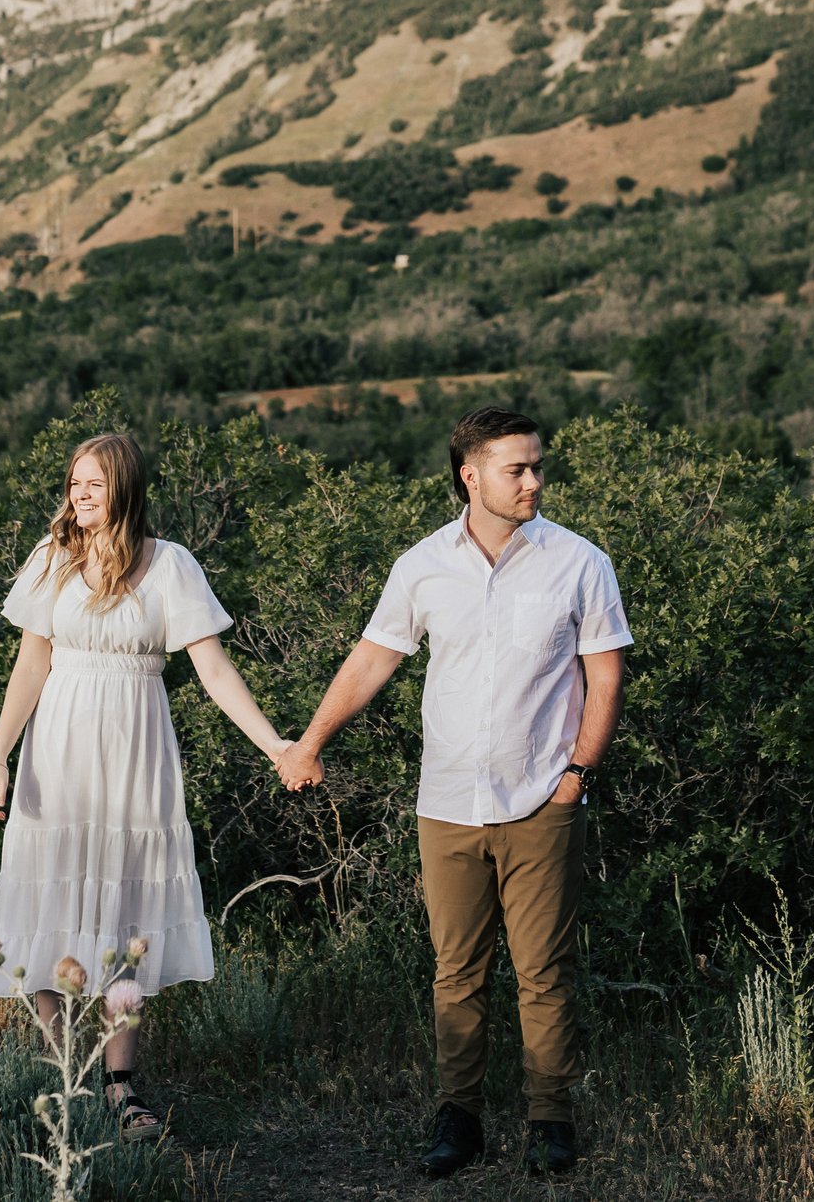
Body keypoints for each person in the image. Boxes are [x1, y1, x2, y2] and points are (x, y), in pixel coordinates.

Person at [279, 406, 628, 1178]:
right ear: (470, 475)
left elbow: (604, 676)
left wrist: (576, 775)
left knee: (543, 970)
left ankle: (550, 1120)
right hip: (446, 803)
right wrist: (310, 741)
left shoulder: (579, 561)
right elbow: (373, 659)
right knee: (457, 971)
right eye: (518, 468)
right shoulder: (423, 564)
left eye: (538, 465)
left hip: (542, 797)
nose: (535, 479)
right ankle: (459, 1119)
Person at [0, 432, 297, 1141]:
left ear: (125, 488)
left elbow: (213, 671)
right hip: (56, 751)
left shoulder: (170, 566)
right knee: (47, 898)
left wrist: (275, 741)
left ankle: (122, 1085)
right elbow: (31, 663)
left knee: (126, 920)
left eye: (94, 483)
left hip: (134, 756)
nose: (79, 495)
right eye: (73, 483)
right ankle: (60, 1074)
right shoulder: (51, 558)